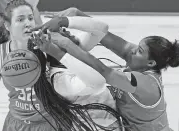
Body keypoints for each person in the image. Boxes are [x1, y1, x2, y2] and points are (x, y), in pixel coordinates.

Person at [0, 1, 128, 130]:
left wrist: (70, 19)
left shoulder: (52, 45)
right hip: (18, 123)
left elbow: (100, 30)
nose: (28, 23)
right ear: (7, 25)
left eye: (30, 18)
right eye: (20, 19)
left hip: (54, 122)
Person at [31, 14, 179, 131]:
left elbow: (103, 71)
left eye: (140, 50)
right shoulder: (140, 61)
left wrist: (64, 44)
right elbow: (102, 32)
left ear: (151, 63)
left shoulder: (145, 84)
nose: (132, 49)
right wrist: (69, 18)